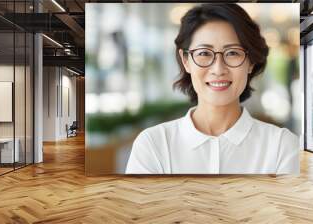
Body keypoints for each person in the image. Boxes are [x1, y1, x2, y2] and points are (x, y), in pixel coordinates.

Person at [125, 3, 299, 174]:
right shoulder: (153, 145)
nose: (218, 69)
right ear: (186, 61)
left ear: (251, 62)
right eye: (204, 53)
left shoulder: (282, 146)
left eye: (232, 53)